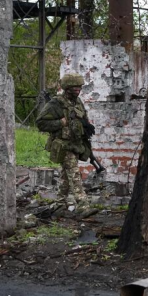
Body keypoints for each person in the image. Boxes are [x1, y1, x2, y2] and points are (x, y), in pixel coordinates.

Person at [36, 74, 94, 211]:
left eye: (79, 87)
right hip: (63, 144)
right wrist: (60, 123)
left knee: (66, 175)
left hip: (75, 143)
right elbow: (40, 123)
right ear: (67, 88)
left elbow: (83, 119)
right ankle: (83, 205)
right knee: (74, 173)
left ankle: (60, 202)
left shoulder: (78, 102)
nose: (78, 89)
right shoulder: (55, 104)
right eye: (75, 87)